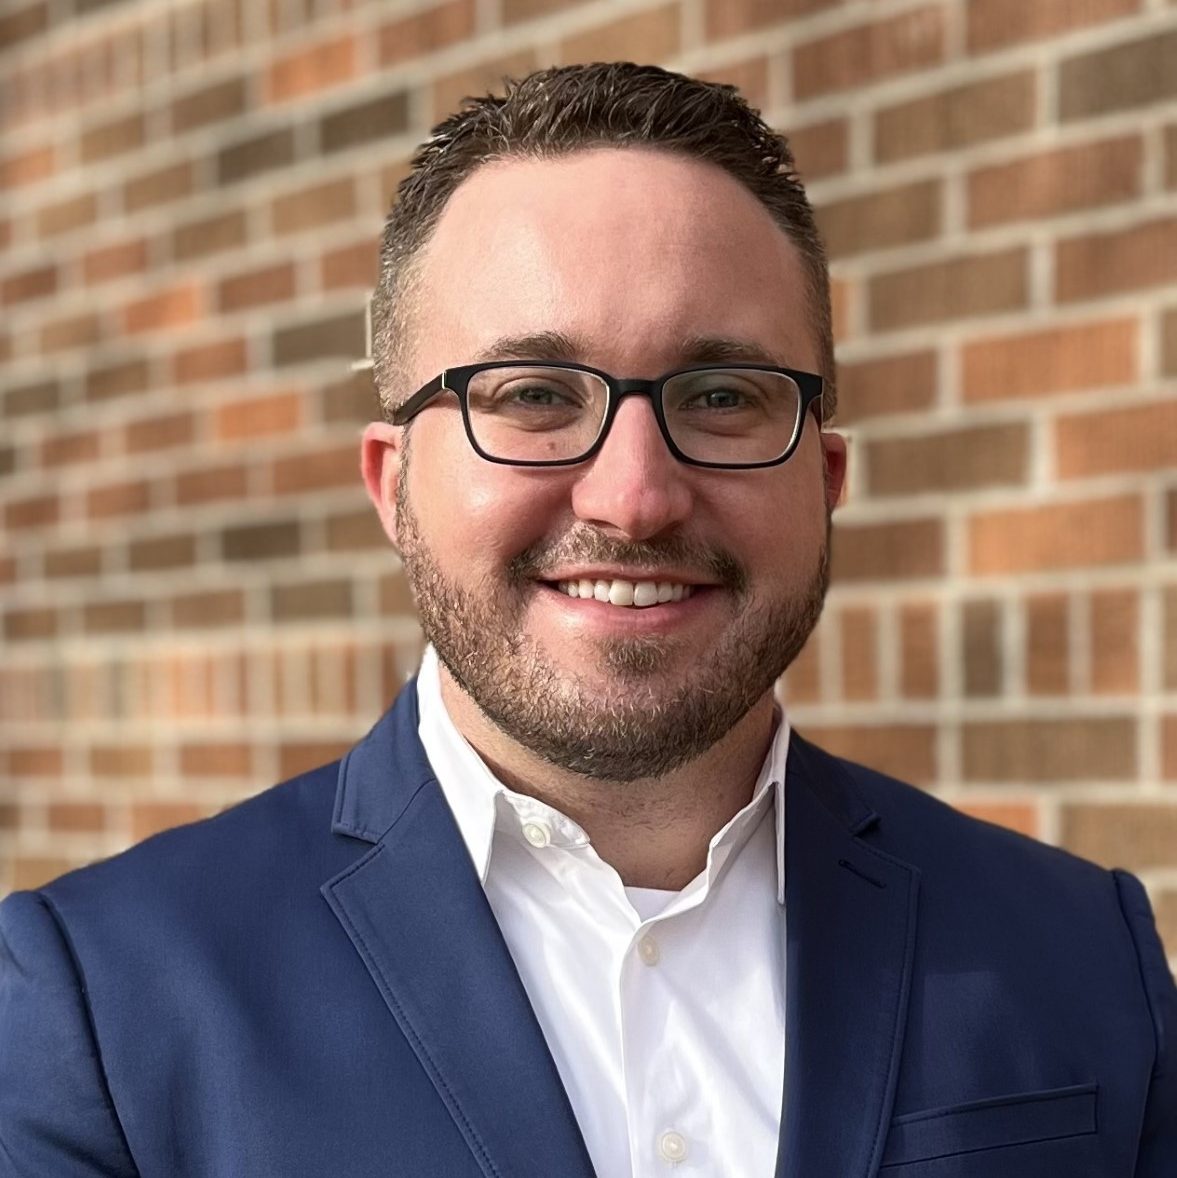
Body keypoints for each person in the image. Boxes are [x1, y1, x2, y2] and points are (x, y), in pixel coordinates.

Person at [1, 62, 1173, 1178]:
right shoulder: (99, 1000)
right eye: (532, 396)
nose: (633, 495)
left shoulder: (1083, 951)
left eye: (720, 396)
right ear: (391, 482)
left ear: (824, 477)